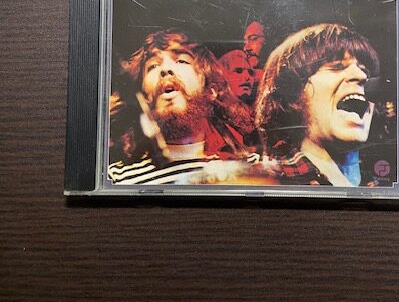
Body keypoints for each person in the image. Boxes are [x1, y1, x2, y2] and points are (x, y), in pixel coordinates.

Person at [108, 30, 257, 185]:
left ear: (210, 90)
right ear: (143, 96)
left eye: (181, 61)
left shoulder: (253, 169)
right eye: (153, 66)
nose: (165, 69)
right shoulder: (117, 178)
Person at [255, 23, 380, 186]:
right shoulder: (268, 181)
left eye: (366, 70)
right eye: (337, 67)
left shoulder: (378, 181)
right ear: (294, 92)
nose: (362, 75)